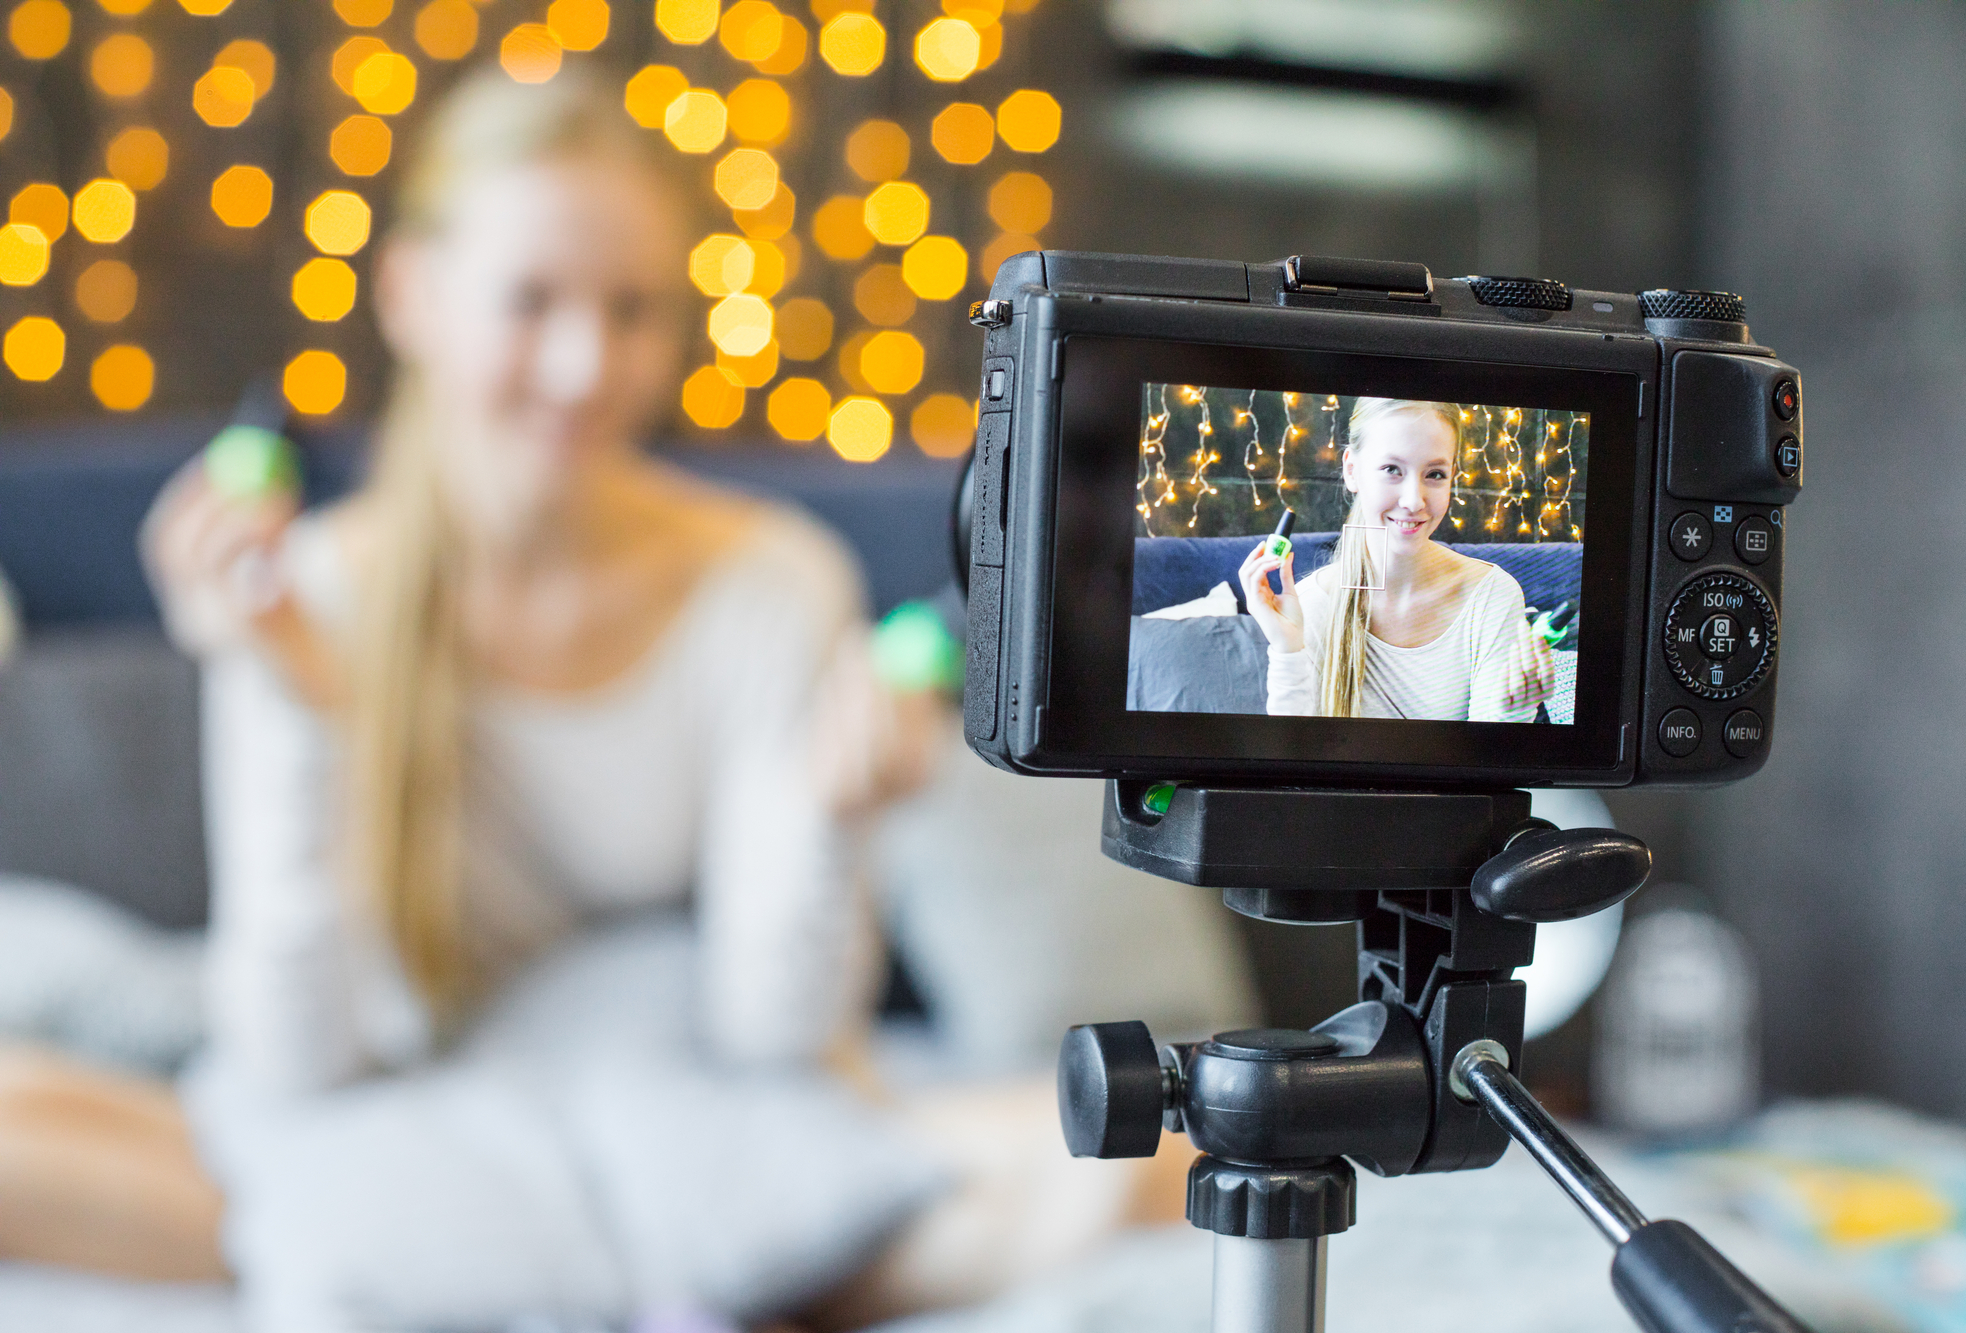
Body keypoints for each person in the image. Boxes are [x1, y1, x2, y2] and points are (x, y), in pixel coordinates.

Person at [0, 69, 1190, 1331]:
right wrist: (291, 702)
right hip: (395, 1095)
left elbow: (772, 1034)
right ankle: (569, 1252)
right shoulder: (309, 589)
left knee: (1162, 1151)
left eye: (630, 311)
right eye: (531, 302)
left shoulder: (769, 582)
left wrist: (833, 817)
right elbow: (304, 1054)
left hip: (676, 1102)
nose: (584, 365)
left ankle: (476, 1254)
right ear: (411, 296)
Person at [1239, 397, 1555, 721]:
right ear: (1352, 471)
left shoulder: (1492, 597)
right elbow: (1294, 760)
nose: (1413, 501)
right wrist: (1288, 650)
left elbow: (1488, 764)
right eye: (1392, 470)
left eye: (1434, 474)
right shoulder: (1307, 607)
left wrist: (1512, 713)